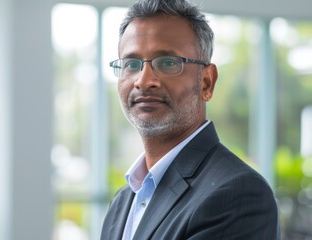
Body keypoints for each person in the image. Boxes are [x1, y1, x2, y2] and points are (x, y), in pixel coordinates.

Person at [100, 0, 280, 239]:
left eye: (167, 63)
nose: (143, 81)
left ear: (206, 82)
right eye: (131, 64)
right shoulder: (122, 202)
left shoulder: (238, 194)